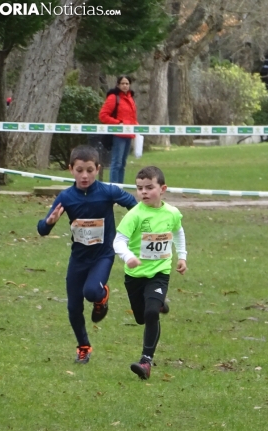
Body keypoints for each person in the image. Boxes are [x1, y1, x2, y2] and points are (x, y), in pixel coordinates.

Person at [37, 145, 138, 363]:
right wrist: (49, 222)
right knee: (74, 307)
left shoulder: (107, 192)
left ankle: (102, 296)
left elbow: (135, 206)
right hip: (79, 259)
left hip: (103, 255)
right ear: (70, 169)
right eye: (80, 170)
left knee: (91, 291)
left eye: (90, 170)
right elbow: (42, 229)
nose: (85, 175)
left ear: (98, 169)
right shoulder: (66, 197)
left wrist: (131, 231)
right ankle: (84, 346)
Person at [114, 166, 187, 380]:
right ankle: (159, 302)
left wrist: (182, 256)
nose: (143, 192)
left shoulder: (172, 213)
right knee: (141, 317)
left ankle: (146, 361)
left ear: (162, 188)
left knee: (151, 313)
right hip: (135, 275)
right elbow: (118, 241)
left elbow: (178, 232)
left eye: (149, 187)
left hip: (159, 272)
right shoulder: (134, 215)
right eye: (139, 188)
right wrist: (128, 257)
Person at [99, 75, 138, 185]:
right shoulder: (113, 97)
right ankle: (113, 186)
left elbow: (132, 117)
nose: (125, 86)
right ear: (118, 85)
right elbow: (103, 115)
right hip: (118, 135)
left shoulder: (131, 98)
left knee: (123, 164)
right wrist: (118, 123)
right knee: (116, 162)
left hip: (129, 135)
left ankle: (120, 187)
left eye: (127, 83)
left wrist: (136, 127)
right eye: (122, 83)